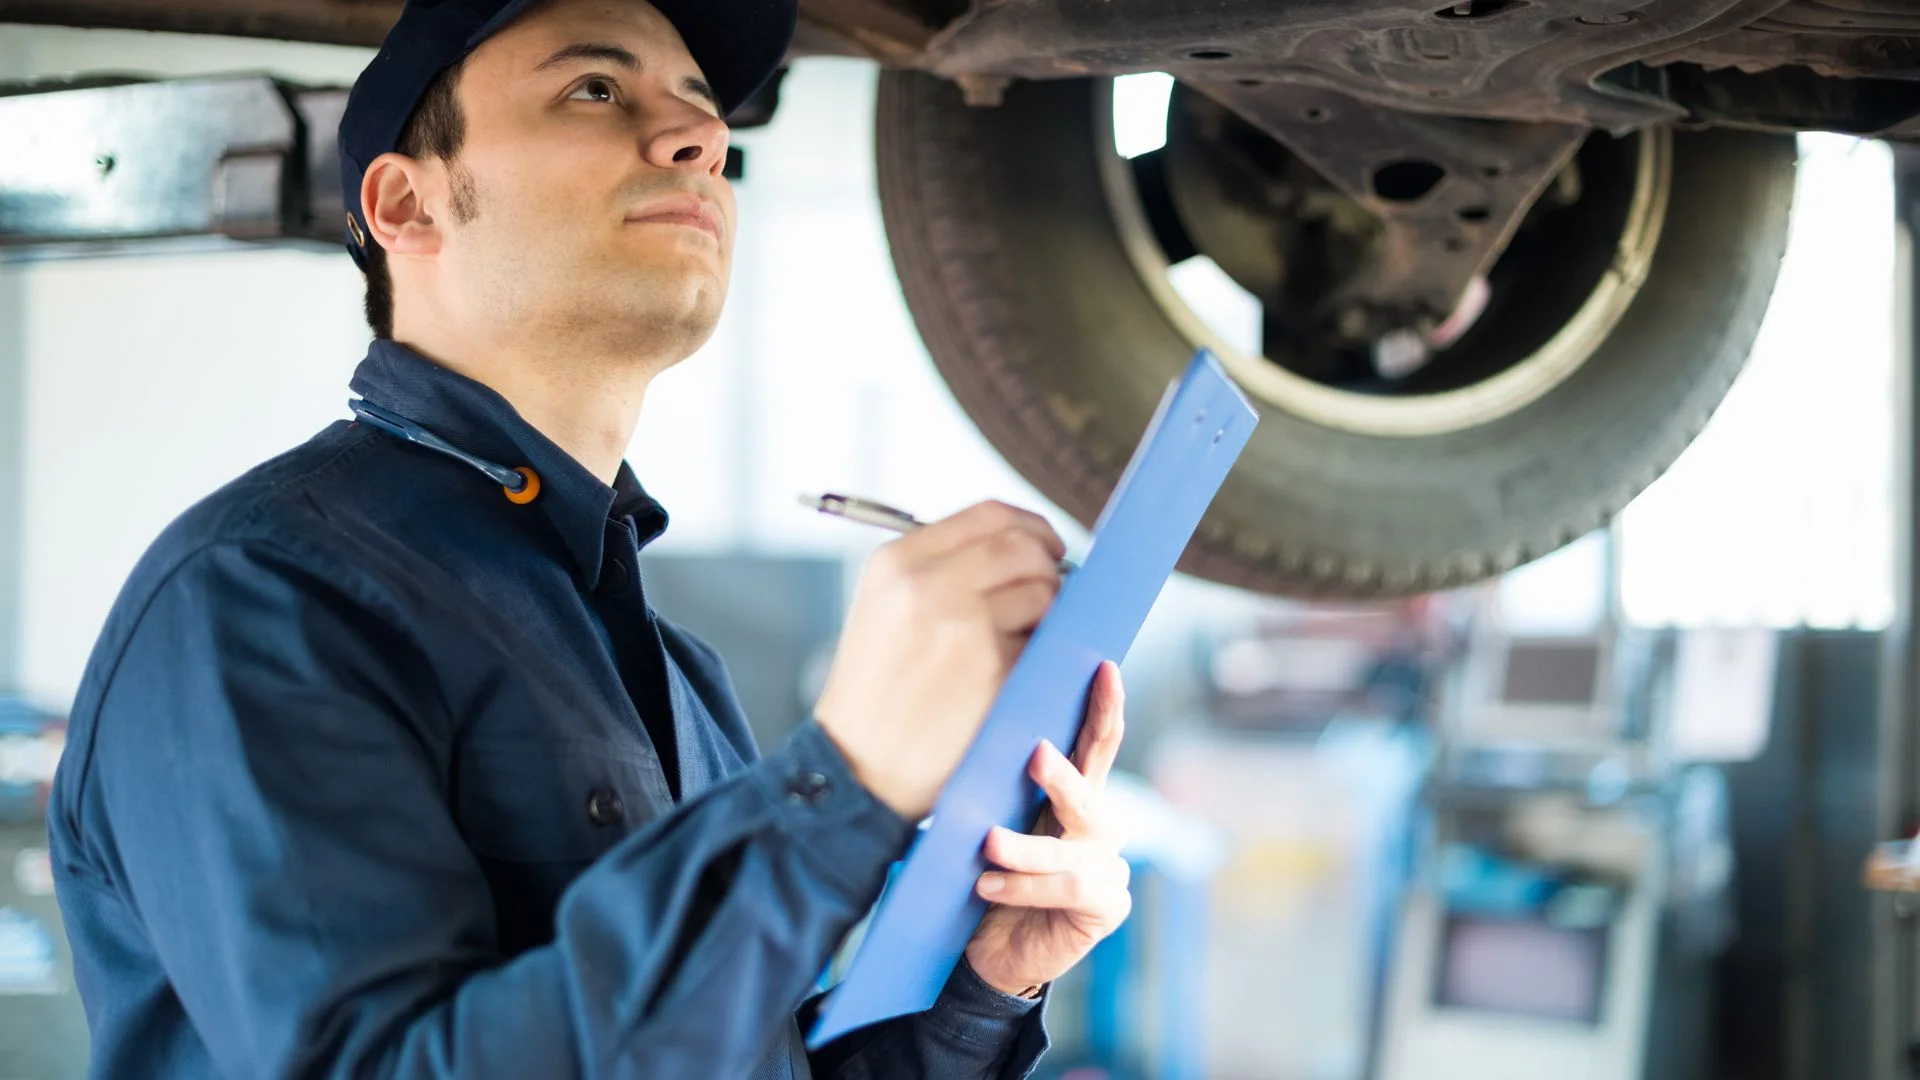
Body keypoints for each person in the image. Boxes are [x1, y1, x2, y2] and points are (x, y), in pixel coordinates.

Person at [44, 0, 1133, 1075]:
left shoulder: (674, 673)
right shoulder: (260, 595)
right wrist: (840, 784)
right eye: (595, 89)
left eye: (704, 113)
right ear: (406, 205)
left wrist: (984, 988)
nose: (699, 138)